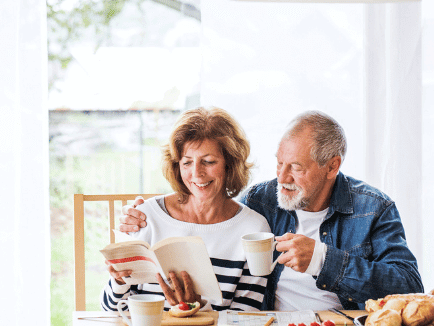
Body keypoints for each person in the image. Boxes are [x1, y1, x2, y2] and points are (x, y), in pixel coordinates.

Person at [120, 110, 424, 311]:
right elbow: (206, 201)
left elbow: (410, 288)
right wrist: (147, 214)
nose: (282, 178)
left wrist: (322, 259)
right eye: (279, 163)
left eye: (295, 168)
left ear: (332, 166)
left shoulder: (373, 208)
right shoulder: (263, 199)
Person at [101, 107, 271, 313]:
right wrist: (119, 282)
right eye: (187, 162)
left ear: (230, 164)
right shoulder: (144, 217)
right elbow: (110, 310)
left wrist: (198, 309)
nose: (197, 173)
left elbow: (246, 316)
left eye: (208, 162)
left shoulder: (253, 229)